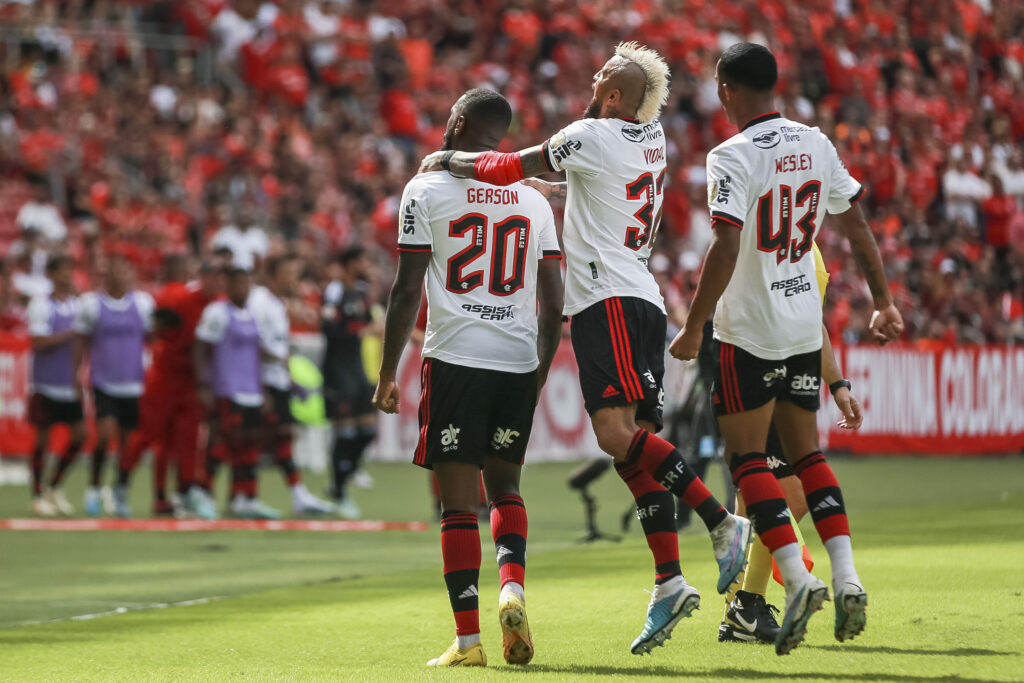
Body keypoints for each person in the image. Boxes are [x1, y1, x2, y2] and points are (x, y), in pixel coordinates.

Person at [420, 43, 752, 656]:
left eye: (603, 76)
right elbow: (576, 173)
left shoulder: (592, 134)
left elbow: (509, 167)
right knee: (635, 455)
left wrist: (446, 160)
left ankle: (722, 522)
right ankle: (669, 581)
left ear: (616, 97)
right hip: (643, 297)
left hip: (607, 302)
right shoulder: (648, 134)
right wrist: (566, 168)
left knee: (613, 435)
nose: (594, 77)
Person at [668, 43, 904, 655]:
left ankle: (796, 582)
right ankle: (847, 577)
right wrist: (883, 300)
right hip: (804, 326)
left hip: (750, 330)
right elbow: (855, 226)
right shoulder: (817, 143)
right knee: (806, 455)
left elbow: (724, 246)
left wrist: (694, 326)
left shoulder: (731, 155)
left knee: (748, 462)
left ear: (725, 89)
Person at [376, 88, 563, 668]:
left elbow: (408, 289)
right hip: (515, 361)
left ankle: (468, 642)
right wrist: (537, 372)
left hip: (455, 358)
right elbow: (554, 302)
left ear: (456, 124)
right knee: (506, 489)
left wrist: (388, 373)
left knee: (458, 504)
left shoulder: (425, 189)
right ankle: (513, 588)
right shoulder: (533, 203)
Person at [719, 243, 864, 645]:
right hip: (757, 370)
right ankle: (746, 602)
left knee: (753, 499)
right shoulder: (775, 231)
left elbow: (811, 324)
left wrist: (838, 385)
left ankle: (740, 606)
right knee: (789, 493)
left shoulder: (803, 242)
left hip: (778, 373)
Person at [119, 256, 222, 519]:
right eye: (212, 276)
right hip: (166, 377)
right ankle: (121, 484)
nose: (216, 282)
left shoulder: (219, 306)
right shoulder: (181, 298)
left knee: (184, 441)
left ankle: (174, 495)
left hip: (191, 383)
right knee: (149, 435)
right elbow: (158, 323)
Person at [248, 254, 336, 515]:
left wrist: (288, 375)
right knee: (250, 439)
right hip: (262, 381)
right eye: (289, 273)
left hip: (277, 379)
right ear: (273, 275)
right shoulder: (259, 302)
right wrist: (260, 385)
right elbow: (253, 345)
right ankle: (241, 495)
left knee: (280, 435)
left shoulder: (276, 304)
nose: (294, 280)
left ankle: (291, 494)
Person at [194, 267, 281, 520]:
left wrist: (263, 389)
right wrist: (204, 385)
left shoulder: (252, 315)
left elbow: (256, 354)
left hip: (251, 391)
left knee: (250, 445)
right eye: (238, 284)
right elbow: (201, 349)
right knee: (222, 443)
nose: (243, 289)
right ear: (228, 286)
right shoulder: (217, 313)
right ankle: (204, 493)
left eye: (246, 284)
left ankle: (245, 497)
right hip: (227, 389)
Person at [74, 253, 155, 518]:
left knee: (128, 444)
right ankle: (94, 488)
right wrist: (76, 373)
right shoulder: (91, 305)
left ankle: (120, 490)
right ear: (106, 274)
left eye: (126, 270)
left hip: (134, 382)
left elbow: (153, 337)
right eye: (116, 270)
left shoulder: (143, 304)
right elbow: (80, 340)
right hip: (104, 380)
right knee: (106, 434)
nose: (122, 275)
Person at [321, 247, 377, 519]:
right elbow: (329, 329)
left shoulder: (361, 291)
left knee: (368, 430)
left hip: (357, 368)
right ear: (351, 263)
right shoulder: (334, 291)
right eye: (363, 259)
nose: (367, 264)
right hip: (337, 368)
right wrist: (361, 331)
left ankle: (348, 472)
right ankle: (339, 491)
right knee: (344, 433)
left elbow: (365, 322)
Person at [26, 255, 84, 517]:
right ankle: (38, 493)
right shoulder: (41, 306)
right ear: (50, 275)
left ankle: (55, 486)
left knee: (81, 436)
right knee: (42, 440)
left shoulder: (77, 305)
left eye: (69, 270)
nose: (67, 275)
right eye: (61, 271)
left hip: (69, 383)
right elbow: (37, 342)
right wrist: (68, 334)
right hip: (45, 383)